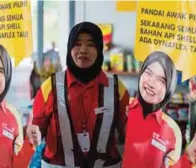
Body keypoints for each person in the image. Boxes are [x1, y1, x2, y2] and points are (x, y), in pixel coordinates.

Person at [26, 22, 130, 167]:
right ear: (69, 48)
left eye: (90, 44)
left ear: (100, 49)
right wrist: (34, 131)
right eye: (77, 44)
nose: (83, 50)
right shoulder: (50, 87)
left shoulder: (117, 89)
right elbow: (36, 126)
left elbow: (129, 132)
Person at [122, 51, 196, 168]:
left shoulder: (172, 130)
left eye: (161, 80)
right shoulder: (119, 106)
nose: (152, 83)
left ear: (169, 89)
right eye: (148, 73)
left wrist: (187, 161)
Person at [0, 44, 34, 168]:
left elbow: (19, 165)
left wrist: (30, 143)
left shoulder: (13, 115)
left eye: (0, 70)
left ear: (7, 77)